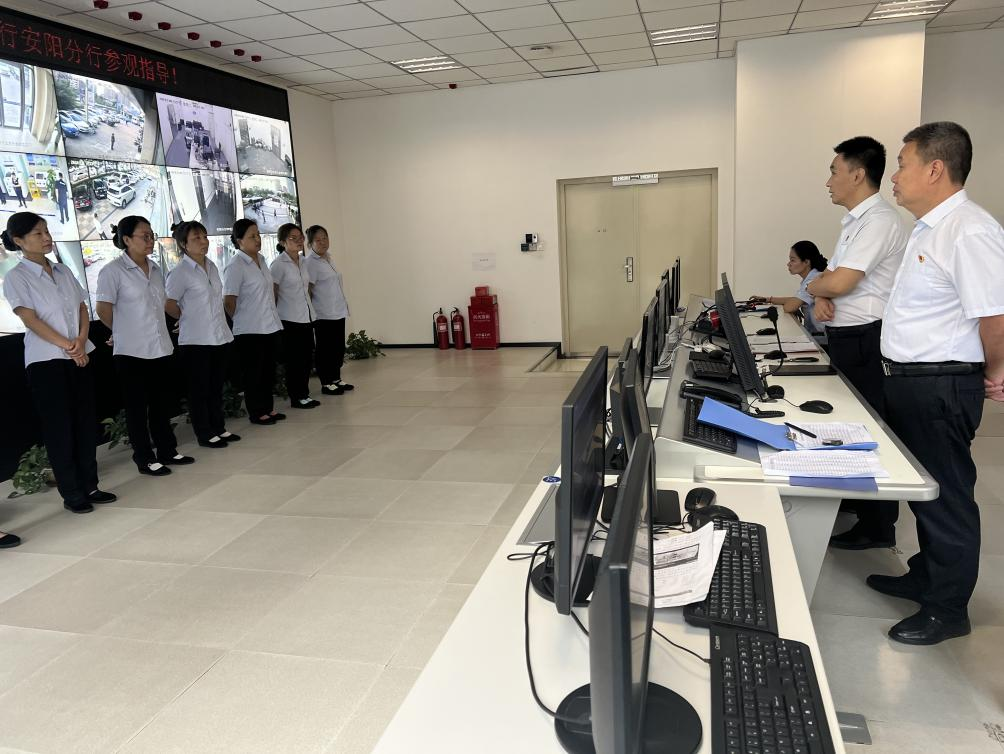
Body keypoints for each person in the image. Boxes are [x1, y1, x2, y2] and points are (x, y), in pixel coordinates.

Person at [868, 122, 1004, 645]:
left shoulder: (969, 230)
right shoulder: (929, 230)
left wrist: (995, 372)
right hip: (913, 382)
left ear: (935, 169)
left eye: (902, 165)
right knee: (925, 491)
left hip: (941, 385)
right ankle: (926, 576)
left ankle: (948, 609)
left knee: (946, 497)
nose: (894, 177)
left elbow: (994, 316)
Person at [806, 136, 908, 551]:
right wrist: (822, 290)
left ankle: (878, 526)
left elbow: (839, 281)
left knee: (870, 427)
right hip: (848, 336)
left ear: (857, 174)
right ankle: (859, 501)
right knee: (852, 423)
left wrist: (820, 288)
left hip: (868, 338)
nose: (828, 180)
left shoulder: (879, 220)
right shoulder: (854, 222)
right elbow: (830, 278)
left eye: (834, 171)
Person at [1, 212, 117, 523]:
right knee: (60, 429)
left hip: (79, 354)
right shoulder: (17, 277)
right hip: (46, 361)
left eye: (46, 231)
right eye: (38, 234)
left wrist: (80, 340)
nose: (47, 237)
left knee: (85, 423)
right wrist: (68, 346)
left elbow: (81, 307)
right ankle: (72, 493)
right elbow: (30, 319)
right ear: (19, 241)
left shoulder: (63, 270)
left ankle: (90, 486)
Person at [96, 216, 194, 476]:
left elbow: (161, 304)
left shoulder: (156, 268)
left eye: (151, 235)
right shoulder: (113, 271)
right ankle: (144, 458)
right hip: (132, 351)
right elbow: (103, 309)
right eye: (144, 236)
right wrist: (120, 331)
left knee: (161, 404)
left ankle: (167, 450)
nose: (150, 240)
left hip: (160, 346)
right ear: (127, 239)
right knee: (137, 409)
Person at [165, 221, 240, 449]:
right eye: (196, 238)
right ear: (183, 244)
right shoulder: (180, 272)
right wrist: (186, 317)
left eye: (204, 236)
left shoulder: (211, 266)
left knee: (215, 387)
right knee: (199, 390)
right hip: (196, 339)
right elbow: (169, 303)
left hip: (219, 335)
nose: (203, 241)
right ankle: (204, 433)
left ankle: (219, 427)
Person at [224, 218, 285, 425]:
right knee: (254, 373)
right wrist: (242, 320)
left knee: (267, 371)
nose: (257, 239)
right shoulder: (236, 265)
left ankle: (268, 408)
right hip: (250, 329)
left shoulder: (262, 260)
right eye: (252, 236)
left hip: (269, 325)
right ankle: (257, 412)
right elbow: (229, 301)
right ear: (239, 240)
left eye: (258, 235)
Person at [270, 223, 320, 409]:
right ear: (283, 242)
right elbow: (273, 293)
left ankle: (304, 394)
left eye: (301, 237)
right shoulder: (278, 265)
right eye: (293, 238)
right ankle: (296, 397)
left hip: (306, 316)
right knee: (295, 361)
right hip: (289, 319)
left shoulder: (303, 261)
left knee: (306, 359)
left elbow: (307, 289)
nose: (299, 241)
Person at [305, 225, 354, 395]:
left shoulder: (328, 258)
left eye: (325, 238)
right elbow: (309, 290)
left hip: (338, 310)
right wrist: (311, 313)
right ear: (310, 244)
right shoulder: (310, 263)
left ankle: (336, 378)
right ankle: (326, 382)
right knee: (325, 349)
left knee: (338, 347)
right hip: (323, 313)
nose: (323, 242)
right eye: (318, 240)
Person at [754, 241, 827, 334]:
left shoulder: (813, 280)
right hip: (818, 334)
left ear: (806, 262)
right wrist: (768, 299)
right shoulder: (813, 276)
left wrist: (795, 306)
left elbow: (789, 307)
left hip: (823, 338)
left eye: (793, 260)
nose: (788, 264)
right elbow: (796, 299)